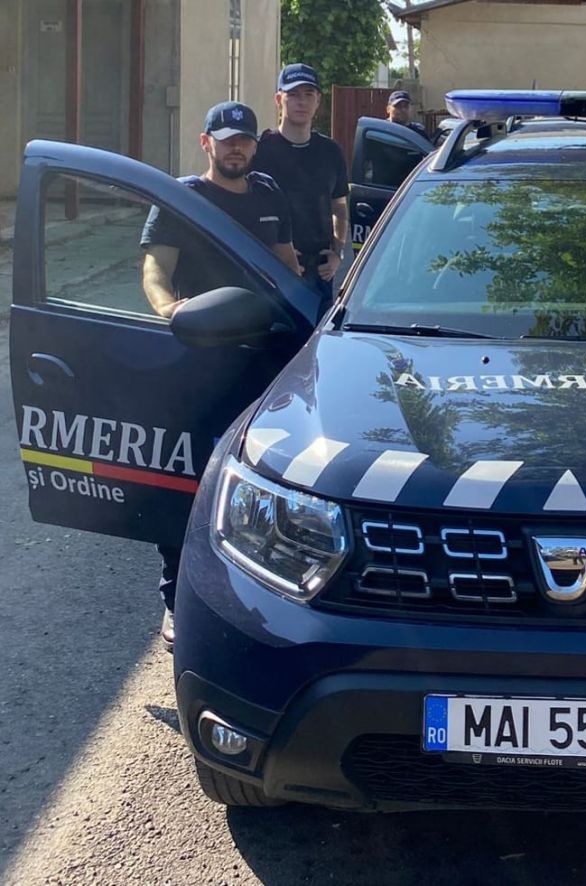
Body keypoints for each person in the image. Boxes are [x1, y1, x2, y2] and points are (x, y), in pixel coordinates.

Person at [140, 100, 302, 647]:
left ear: (255, 145)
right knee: (185, 478)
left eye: (245, 139)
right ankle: (174, 597)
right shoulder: (184, 197)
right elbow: (155, 267)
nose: (237, 147)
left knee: (262, 474)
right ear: (206, 142)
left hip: (264, 355)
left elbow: (285, 260)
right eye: (227, 138)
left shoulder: (269, 193)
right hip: (199, 357)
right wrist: (170, 311)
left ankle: (261, 589)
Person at [253, 63, 349, 309]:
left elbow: (339, 206)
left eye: (308, 94)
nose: (301, 102)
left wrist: (338, 252)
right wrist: (271, 254)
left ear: (318, 101)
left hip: (320, 273)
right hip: (271, 271)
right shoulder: (259, 150)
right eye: (293, 94)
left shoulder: (331, 151)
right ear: (279, 100)